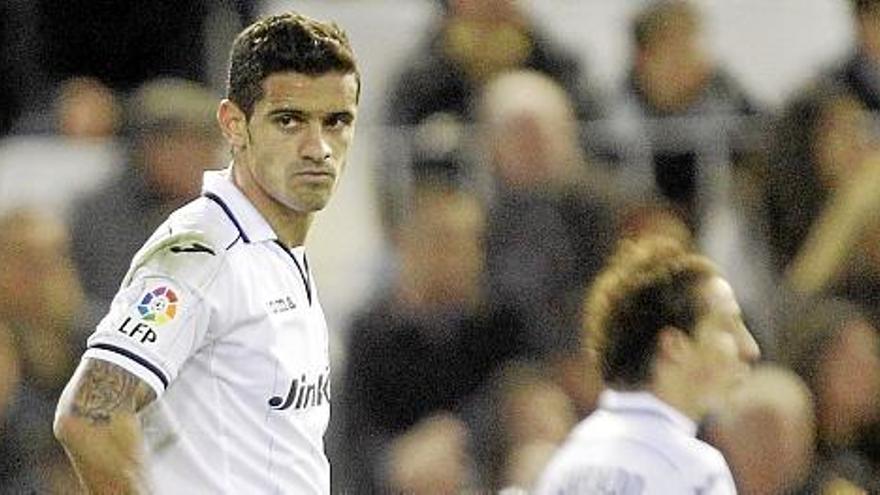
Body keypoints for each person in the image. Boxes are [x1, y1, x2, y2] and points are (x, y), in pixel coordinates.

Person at [53, 12, 360, 494]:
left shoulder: (272, 252)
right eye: (289, 120)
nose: (317, 146)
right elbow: (88, 414)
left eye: (336, 121)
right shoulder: (202, 254)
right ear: (234, 125)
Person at [534, 236, 760, 494]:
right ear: (674, 346)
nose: (750, 348)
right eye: (727, 327)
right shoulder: (696, 473)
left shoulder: (563, 466)